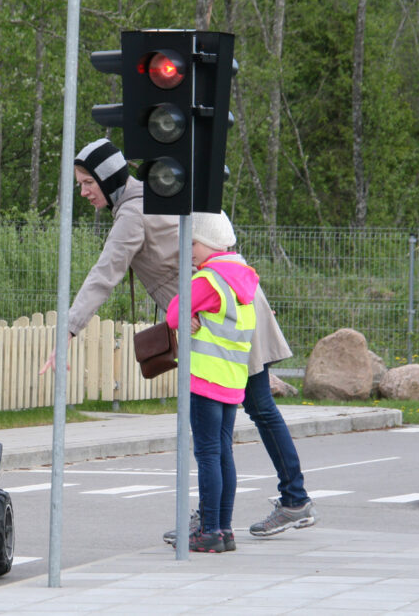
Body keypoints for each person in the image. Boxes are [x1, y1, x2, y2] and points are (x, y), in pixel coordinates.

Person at [41, 137, 317, 536]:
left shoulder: (134, 212)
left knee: (237, 419)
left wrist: (67, 329)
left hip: (222, 315)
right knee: (248, 414)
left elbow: (104, 275)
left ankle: (273, 505)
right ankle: (266, 505)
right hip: (234, 305)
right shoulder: (155, 194)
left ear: (108, 178)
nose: (83, 192)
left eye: (87, 183)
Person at [165, 211, 258, 552]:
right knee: (222, 455)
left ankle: (208, 532)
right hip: (232, 380)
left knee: (206, 455)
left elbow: (174, 313)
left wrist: (188, 315)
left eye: (192, 243)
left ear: (211, 244)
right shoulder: (244, 279)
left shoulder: (208, 280)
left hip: (204, 379)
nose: (188, 250)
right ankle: (225, 529)